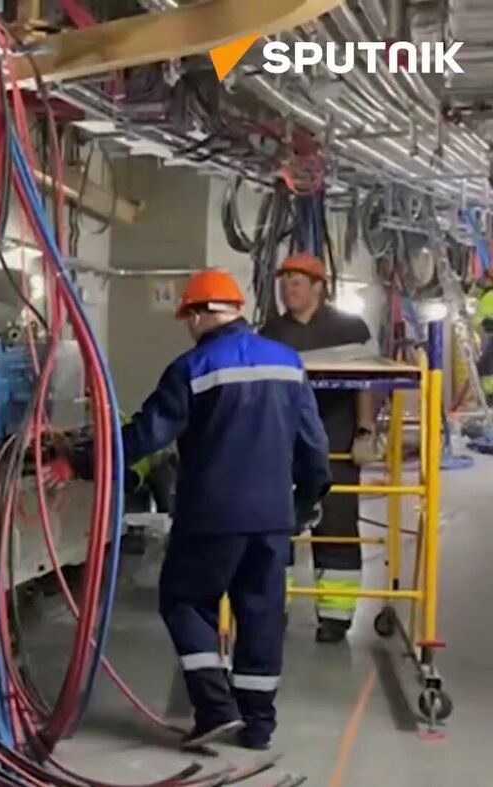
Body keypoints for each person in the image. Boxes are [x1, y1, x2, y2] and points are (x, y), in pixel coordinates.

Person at [113, 269, 330, 751]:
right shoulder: (287, 363)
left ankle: (214, 708)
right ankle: (258, 726)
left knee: (185, 601)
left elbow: (148, 434)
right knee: (261, 615)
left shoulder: (193, 367)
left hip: (211, 516)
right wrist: (303, 504)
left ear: (196, 315)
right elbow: (314, 447)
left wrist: (86, 458)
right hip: (272, 518)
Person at [259, 254, 377, 643]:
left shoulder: (349, 329)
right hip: (283, 446)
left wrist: (364, 431)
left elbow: (366, 383)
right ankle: (273, 607)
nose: (287, 289)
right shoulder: (271, 333)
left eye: (296, 282)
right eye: (284, 282)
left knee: (337, 526)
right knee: (276, 526)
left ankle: (335, 616)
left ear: (318, 287)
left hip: (337, 442)